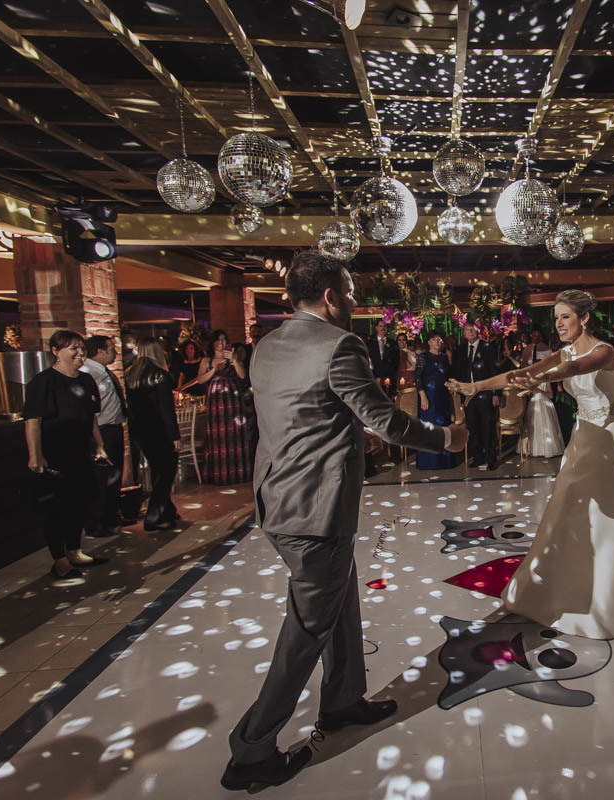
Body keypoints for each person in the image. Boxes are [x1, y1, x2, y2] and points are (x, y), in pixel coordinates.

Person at [222, 252, 465, 791]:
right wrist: (447, 437)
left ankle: (343, 700)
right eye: (351, 292)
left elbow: (301, 416)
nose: (355, 301)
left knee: (341, 599)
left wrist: (349, 437)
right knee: (306, 630)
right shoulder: (340, 344)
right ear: (331, 297)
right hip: (314, 509)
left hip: (278, 499)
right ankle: (252, 750)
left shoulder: (267, 345)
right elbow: (388, 422)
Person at [449, 289, 614, 639]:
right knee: (572, 512)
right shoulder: (563, 351)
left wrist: (544, 377)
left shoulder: (604, 351)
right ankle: (572, 586)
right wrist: (477, 386)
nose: (559, 324)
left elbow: (575, 367)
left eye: (565, 317)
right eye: (556, 318)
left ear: (584, 318)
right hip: (584, 438)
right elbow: (524, 372)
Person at [23, 330, 110, 580]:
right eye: (73, 348)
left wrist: (100, 446)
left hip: (81, 452)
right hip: (55, 453)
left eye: (82, 348)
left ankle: (74, 551)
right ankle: (59, 560)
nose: (80, 353)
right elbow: (33, 422)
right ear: (56, 351)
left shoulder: (86, 380)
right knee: (57, 507)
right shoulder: (43, 382)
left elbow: (92, 417)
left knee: (79, 502)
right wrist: (35, 455)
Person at [126, 337, 182, 531]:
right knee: (166, 472)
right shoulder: (160, 376)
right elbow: (167, 410)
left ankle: (167, 511)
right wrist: (175, 436)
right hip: (160, 430)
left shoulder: (131, 375)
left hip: (140, 431)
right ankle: (153, 516)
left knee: (158, 470)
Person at [80, 335, 127, 537]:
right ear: (100, 352)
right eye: (112, 348)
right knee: (101, 478)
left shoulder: (104, 371)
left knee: (114, 476)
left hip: (113, 428)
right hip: (100, 430)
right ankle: (96, 523)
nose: (115, 352)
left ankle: (111, 516)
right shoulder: (89, 373)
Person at [199, 329, 255, 484]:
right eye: (218, 340)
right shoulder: (206, 360)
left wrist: (235, 361)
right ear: (213, 343)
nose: (221, 343)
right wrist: (214, 370)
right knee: (218, 436)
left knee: (234, 434)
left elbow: (243, 376)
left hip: (232, 400)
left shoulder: (232, 357)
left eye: (224, 340)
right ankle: (219, 474)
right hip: (215, 402)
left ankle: (238, 472)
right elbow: (200, 379)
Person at [451, 321, 503, 470]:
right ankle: (478, 457)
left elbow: (495, 371)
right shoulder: (460, 350)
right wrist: (457, 388)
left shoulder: (488, 347)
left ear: (477, 331)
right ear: (464, 333)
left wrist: (496, 393)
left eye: (472, 330)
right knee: (473, 427)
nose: (470, 332)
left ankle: (491, 459)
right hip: (468, 396)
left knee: (488, 426)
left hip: (485, 393)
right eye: (467, 330)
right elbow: (457, 371)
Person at [415, 332, 457, 470]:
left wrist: (451, 386)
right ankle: (428, 462)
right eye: (434, 339)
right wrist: (422, 395)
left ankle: (445, 461)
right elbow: (418, 377)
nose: (438, 342)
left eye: (440, 339)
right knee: (428, 426)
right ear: (429, 342)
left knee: (443, 426)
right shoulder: (423, 357)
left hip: (442, 396)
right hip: (428, 396)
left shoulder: (444, 357)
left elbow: (448, 375)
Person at [520, 334, 564, 459]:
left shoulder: (546, 380)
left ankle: (546, 449)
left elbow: (551, 394)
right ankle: (531, 448)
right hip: (534, 403)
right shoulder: (532, 380)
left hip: (544, 403)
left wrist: (539, 391)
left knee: (545, 425)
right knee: (533, 425)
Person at [366, 320, 399, 395]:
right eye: (380, 326)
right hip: (374, 380)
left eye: (385, 326)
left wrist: (388, 377)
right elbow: (367, 361)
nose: (383, 328)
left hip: (389, 380)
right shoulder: (369, 343)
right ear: (376, 328)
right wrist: (374, 377)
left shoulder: (393, 343)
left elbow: (396, 362)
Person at [394, 332, 418, 417]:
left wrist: (408, 351)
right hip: (398, 379)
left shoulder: (410, 352)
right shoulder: (395, 352)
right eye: (399, 340)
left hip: (409, 381)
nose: (401, 342)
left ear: (406, 341)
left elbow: (414, 366)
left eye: (404, 340)